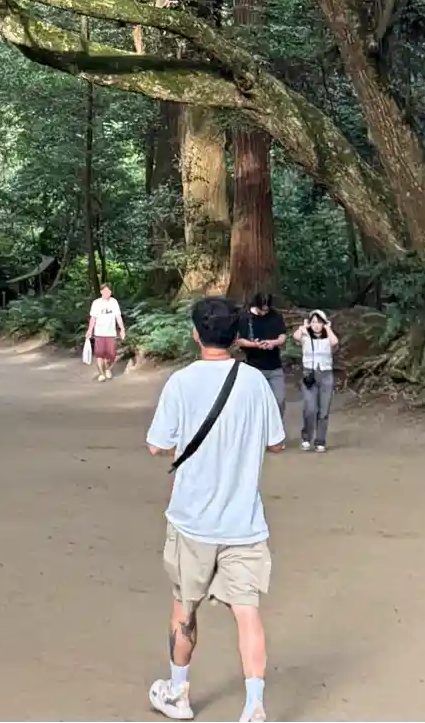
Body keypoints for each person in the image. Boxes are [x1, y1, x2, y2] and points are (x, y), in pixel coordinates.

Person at [145, 296, 284, 723]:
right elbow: (276, 442)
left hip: (192, 520)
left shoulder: (181, 383)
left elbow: (157, 445)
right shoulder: (255, 383)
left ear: (195, 334)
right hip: (243, 522)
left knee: (184, 607)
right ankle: (254, 704)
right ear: (237, 337)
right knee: (247, 613)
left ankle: (178, 693)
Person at [239, 291, 288, 433]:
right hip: (254, 367)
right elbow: (240, 341)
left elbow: (282, 336)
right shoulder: (246, 318)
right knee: (257, 403)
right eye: (262, 309)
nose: (265, 312)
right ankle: (258, 432)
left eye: (267, 309)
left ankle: (276, 431)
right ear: (256, 305)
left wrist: (273, 343)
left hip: (274, 366)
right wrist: (255, 345)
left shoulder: (275, 316)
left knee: (279, 400)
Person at [293, 310, 339, 452]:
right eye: (313, 322)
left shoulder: (328, 336)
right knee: (310, 408)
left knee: (324, 410)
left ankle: (320, 441)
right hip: (309, 375)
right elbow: (295, 336)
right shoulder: (305, 336)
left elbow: (334, 342)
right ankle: (306, 437)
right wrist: (304, 327)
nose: (316, 325)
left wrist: (328, 328)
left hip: (326, 375)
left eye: (319, 322)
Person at [86, 282, 126, 381]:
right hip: (99, 333)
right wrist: (90, 330)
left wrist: (122, 329)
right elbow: (93, 318)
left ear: (111, 292)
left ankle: (107, 369)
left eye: (109, 291)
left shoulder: (114, 302)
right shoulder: (96, 303)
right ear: (101, 292)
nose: (107, 293)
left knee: (111, 355)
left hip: (111, 333)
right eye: (105, 291)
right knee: (99, 354)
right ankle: (101, 374)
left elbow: (118, 316)